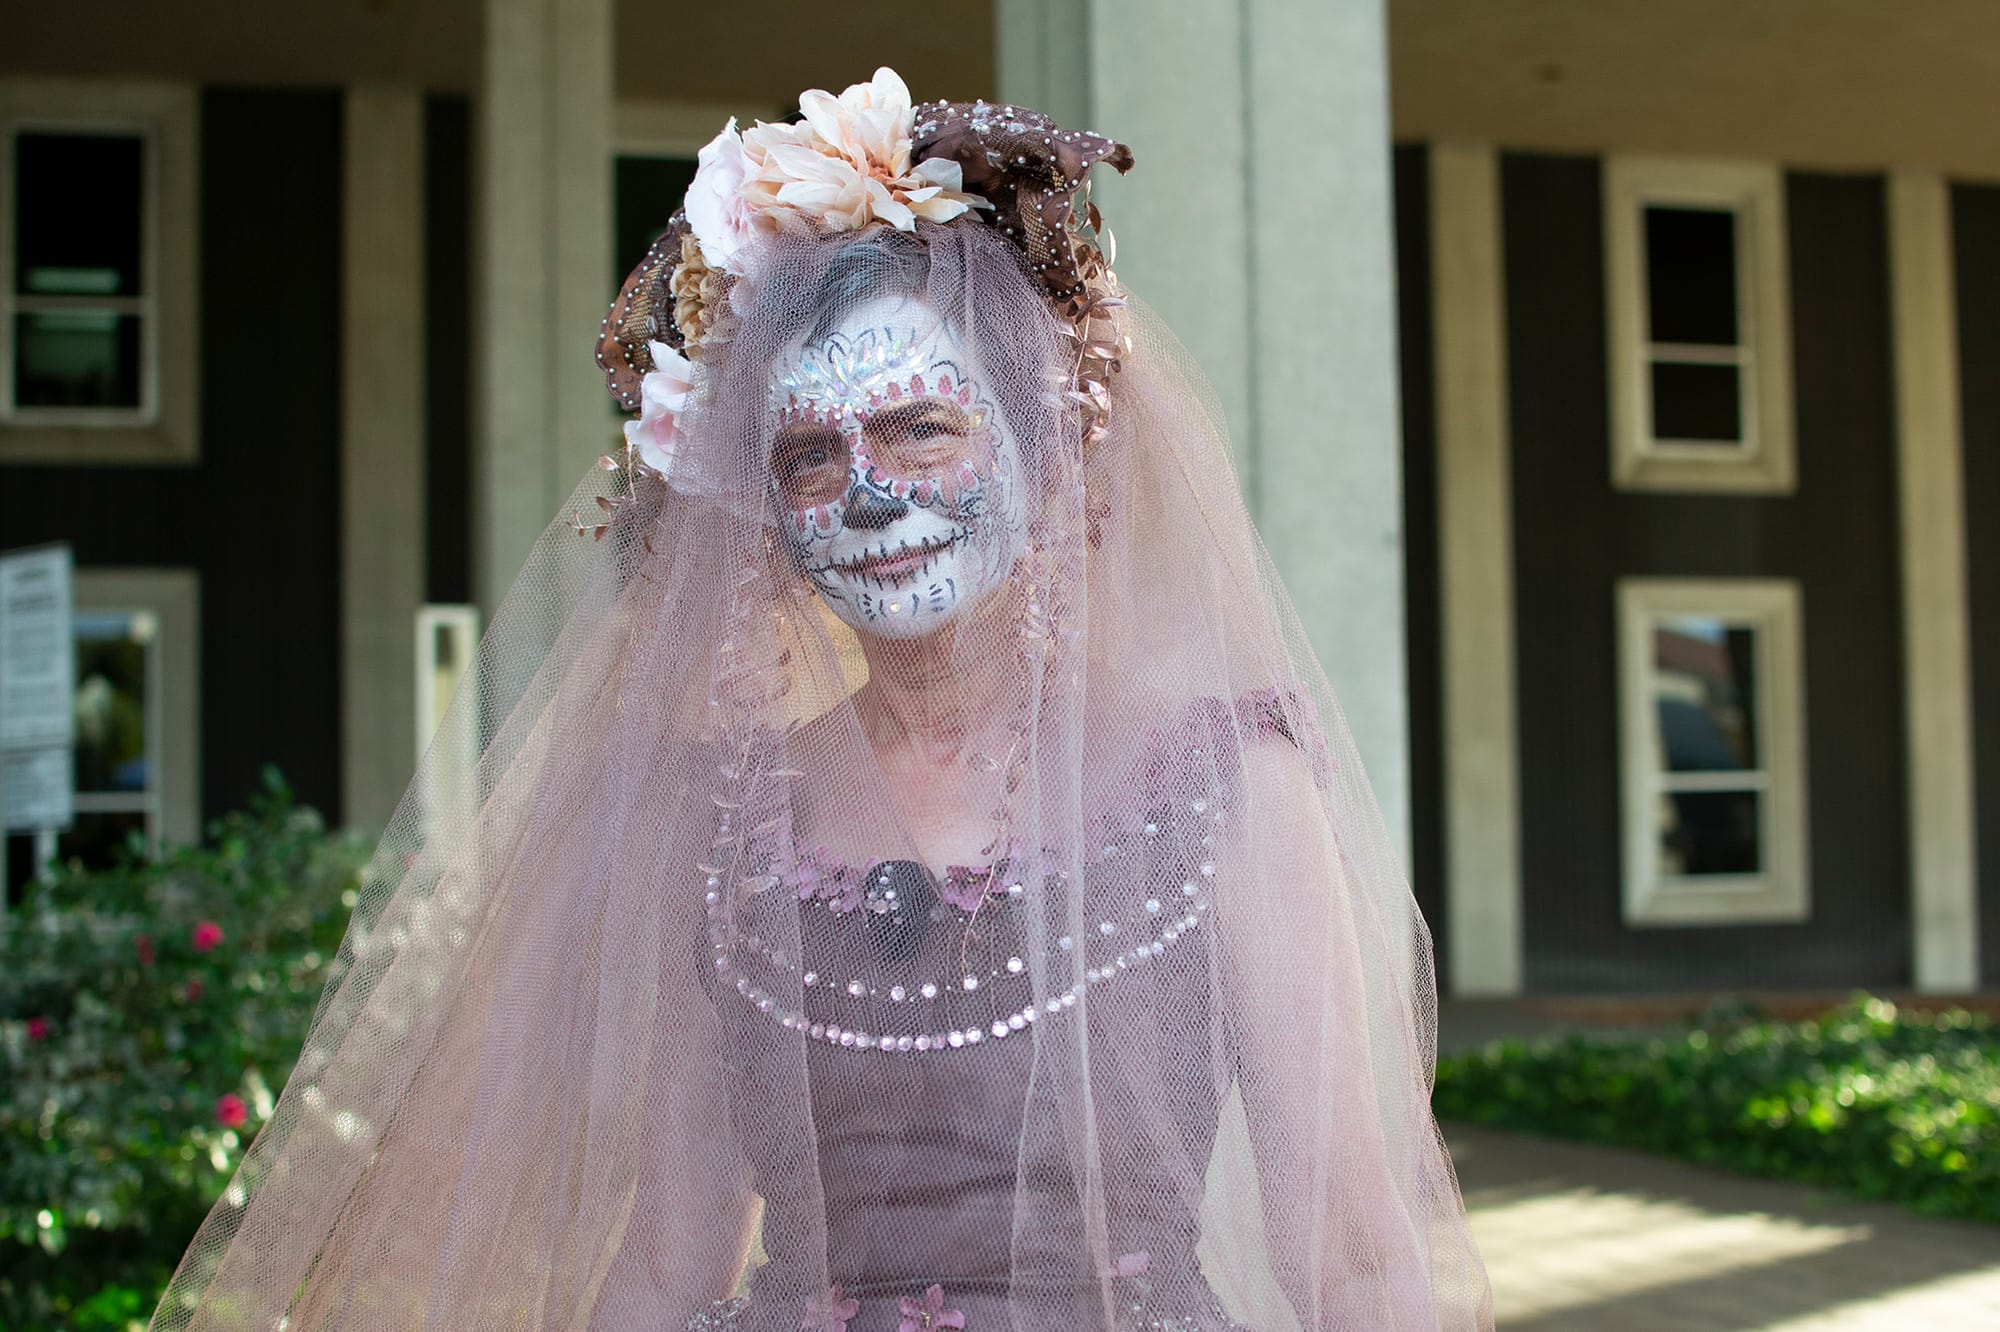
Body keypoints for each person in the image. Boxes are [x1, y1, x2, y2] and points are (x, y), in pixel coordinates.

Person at [152, 69, 1492, 1332]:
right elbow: (675, 1258)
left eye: (920, 426)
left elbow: (1353, 1250)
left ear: (1036, 434)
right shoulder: (724, 816)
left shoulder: (1227, 785)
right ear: (760, 509)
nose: (867, 491)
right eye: (808, 453)